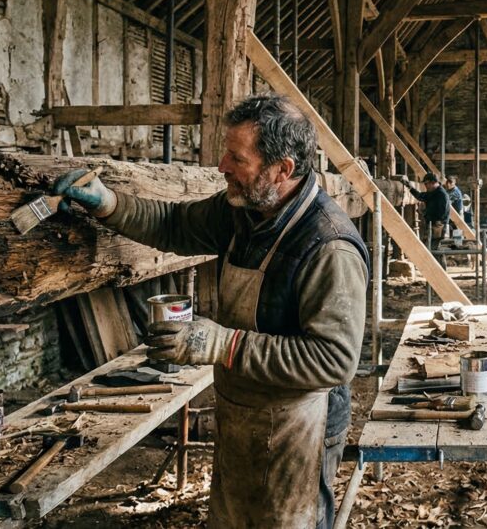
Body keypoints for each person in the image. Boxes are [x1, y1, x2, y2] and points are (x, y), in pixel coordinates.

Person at [52, 93, 368, 529]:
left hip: (300, 427)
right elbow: (174, 225)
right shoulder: (246, 210)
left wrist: (222, 343)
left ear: (283, 170)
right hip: (242, 411)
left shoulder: (328, 247)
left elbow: (333, 360)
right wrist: (108, 203)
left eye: (237, 158)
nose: (222, 166)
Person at [402, 171, 450, 244]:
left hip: (438, 226)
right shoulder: (432, 192)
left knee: (434, 248)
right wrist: (409, 187)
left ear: (433, 182)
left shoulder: (441, 195)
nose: (425, 186)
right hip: (433, 224)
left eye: (426, 184)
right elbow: (420, 196)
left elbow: (441, 214)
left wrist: (425, 212)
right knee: (429, 247)